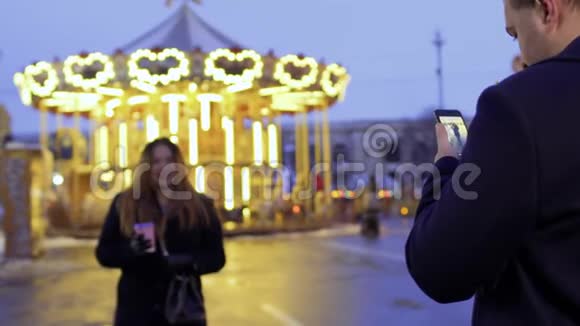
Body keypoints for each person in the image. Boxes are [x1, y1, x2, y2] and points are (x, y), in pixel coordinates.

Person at [405, 0, 580, 325]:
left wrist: (446, 166)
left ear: (547, 10)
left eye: (515, 34)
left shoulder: (520, 106)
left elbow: (440, 266)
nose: (521, 57)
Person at [95, 138, 226, 326]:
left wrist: (191, 263)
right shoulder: (125, 204)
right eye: (156, 162)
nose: (163, 167)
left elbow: (216, 257)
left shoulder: (200, 206)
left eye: (169, 161)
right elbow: (104, 253)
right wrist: (131, 250)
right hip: (138, 312)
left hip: (182, 309)